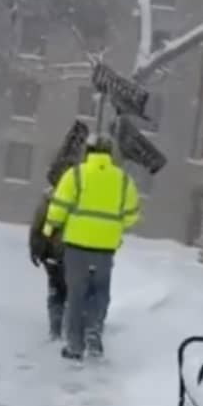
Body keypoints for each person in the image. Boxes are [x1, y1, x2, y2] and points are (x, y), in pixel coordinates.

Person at [42, 135, 140, 360]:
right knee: (99, 292)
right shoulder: (123, 180)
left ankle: (75, 346)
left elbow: (58, 208)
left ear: (88, 151)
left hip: (77, 245)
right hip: (106, 248)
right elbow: (132, 215)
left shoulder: (75, 175)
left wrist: (49, 230)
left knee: (76, 294)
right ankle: (94, 333)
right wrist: (114, 226)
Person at [29, 188, 68, 339]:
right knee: (75, 289)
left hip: (54, 251)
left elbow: (38, 225)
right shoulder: (84, 193)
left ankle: (55, 327)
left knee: (56, 288)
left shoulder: (49, 196)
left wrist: (36, 249)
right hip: (79, 251)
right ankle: (72, 326)